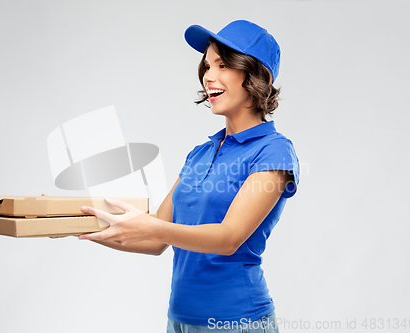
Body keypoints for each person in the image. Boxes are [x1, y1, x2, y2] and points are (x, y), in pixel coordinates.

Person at [79, 20, 300, 333]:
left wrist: (151, 224)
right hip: (179, 321)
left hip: (236, 323)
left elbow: (228, 238)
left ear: (255, 75)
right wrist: (70, 222)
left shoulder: (274, 152)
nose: (209, 76)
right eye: (207, 65)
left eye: (222, 64)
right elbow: (156, 238)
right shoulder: (200, 153)